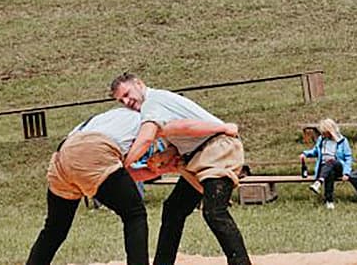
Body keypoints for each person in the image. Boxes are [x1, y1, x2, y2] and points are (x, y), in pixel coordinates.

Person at [25, 106, 237, 265]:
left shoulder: (109, 117)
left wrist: (161, 170)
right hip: (94, 151)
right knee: (134, 215)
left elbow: (116, 175)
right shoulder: (149, 119)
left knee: (54, 228)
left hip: (62, 157)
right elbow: (123, 159)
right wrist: (223, 127)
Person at [110, 73, 251, 265]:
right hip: (199, 157)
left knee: (214, 212)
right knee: (173, 209)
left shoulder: (153, 103)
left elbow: (145, 139)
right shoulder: (156, 107)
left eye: (127, 94)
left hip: (217, 149)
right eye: (121, 100)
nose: (127, 101)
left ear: (139, 84)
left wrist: (122, 164)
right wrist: (162, 157)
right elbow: (183, 133)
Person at [300, 118, 353, 209]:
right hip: (325, 168)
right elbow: (315, 152)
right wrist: (305, 154)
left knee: (331, 162)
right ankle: (329, 200)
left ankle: (319, 182)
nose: (323, 134)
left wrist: (346, 172)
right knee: (329, 172)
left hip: (338, 166)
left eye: (325, 132)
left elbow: (348, 158)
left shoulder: (342, 141)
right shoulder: (321, 140)